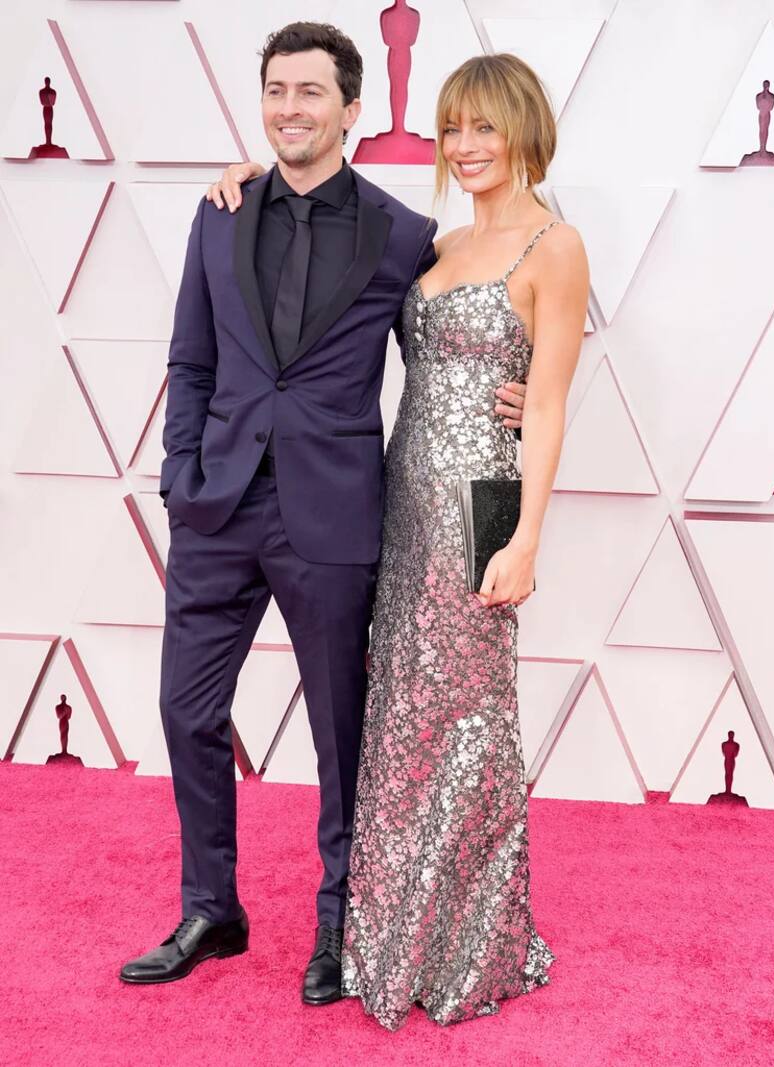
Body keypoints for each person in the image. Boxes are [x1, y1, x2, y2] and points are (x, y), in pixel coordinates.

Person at [118, 22, 528, 999]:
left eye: (310, 92)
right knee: (184, 709)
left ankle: (342, 924)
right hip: (217, 506)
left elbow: (447, 350)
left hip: (335, 514)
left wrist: (514, 397)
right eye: (276, 90)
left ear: (352, 110)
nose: (289, 108)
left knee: (342, 733)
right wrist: (180, 479)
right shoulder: (219, 213)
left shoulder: (403, 235)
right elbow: (190, 359)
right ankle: (210, 907)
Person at [217, 49, 589, 1029]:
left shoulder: (554, 245)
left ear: (523, 131)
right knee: (403, 718)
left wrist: (526, 538)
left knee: (469, 718)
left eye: (483, 127)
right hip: (400, 498)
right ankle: (392, 932)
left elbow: (548, 404)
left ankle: (468, 943)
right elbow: (328, 235)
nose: (463, 146)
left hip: (484, 504)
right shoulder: (433, 244)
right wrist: (256, 179)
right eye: (450, 128)